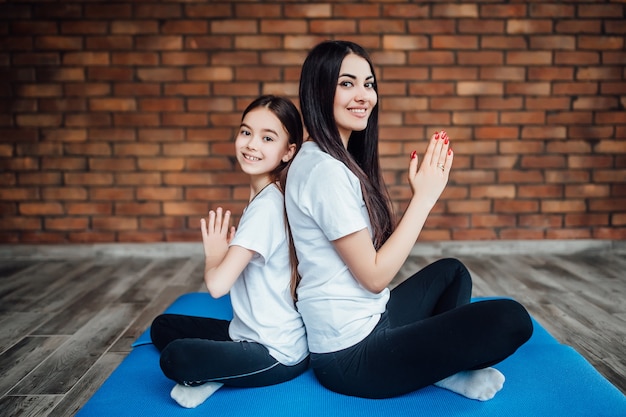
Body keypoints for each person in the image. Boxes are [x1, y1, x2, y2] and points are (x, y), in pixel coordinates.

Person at [284, 40, 533, 400]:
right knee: (512, 320)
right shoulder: (324, 171)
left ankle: (437, 368)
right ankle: (440, 368)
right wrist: (425, 198)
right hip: (351, 358)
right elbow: (373, 277)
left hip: (369, 322)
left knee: (452, 272)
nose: (363, 95)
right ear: (318, 90)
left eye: (368, 84)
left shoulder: (323, 158)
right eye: (346, 83)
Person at [150, 95, 308, 408]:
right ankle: (220, 369)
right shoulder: (270, 196)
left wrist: (214, 254)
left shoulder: (266, 208)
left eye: (267, 138)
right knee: (163, 326)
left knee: (174, 357)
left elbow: (217, 286)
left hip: (275, 354)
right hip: (246, 334)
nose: (251, 144)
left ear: (289, 151)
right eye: (246, 132)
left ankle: (213, 375)